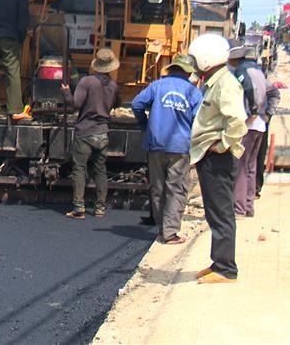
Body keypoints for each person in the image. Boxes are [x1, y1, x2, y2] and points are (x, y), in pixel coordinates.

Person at [188, 34, 247, 284]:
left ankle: (226, 269)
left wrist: (221, 145)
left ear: (205, 58)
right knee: (214, 212)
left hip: (218, 159)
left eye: (194, 59)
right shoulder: (214, 81)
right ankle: (218, 262)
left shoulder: (225, 84)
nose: (192, 63)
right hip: (208, 156)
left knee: (221, 212)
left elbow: (237, 121)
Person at [132, 54, 202, 244]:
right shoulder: (193, 92)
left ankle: (161, 226)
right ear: (188, 73)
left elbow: (136, 104)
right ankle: (169, 232)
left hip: (155, 145)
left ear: (171, 69)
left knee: (158, 187)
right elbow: (199, 121)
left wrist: (145, 126)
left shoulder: (157, 86)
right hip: (180, 148)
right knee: (176, 188)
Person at [61, 48, 120, 219]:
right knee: (100, 170)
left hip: (85, 132)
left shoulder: (86, 81)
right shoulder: (113, 85)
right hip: (102, 133)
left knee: (79, 168)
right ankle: (100, 208)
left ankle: (79, 208)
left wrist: (66, 92)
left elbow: (76, 104)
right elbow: (116, 103)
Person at [229, 43, 268, 218]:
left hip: (249, 124)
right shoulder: (257, 70)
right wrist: (265, 114)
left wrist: (251, 111)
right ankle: (249, 206)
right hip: (260, 124)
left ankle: (238, 208)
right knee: (251, 167)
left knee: (240, 167)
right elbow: (273, 92)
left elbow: (249, 90)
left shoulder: (240, 72)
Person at [255, 77, 281, 199]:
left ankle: (255, 189)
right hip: (238, 125)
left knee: (257, 157)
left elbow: (274, 93)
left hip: (258, 124)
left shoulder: (257, 77)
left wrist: (268, 114)